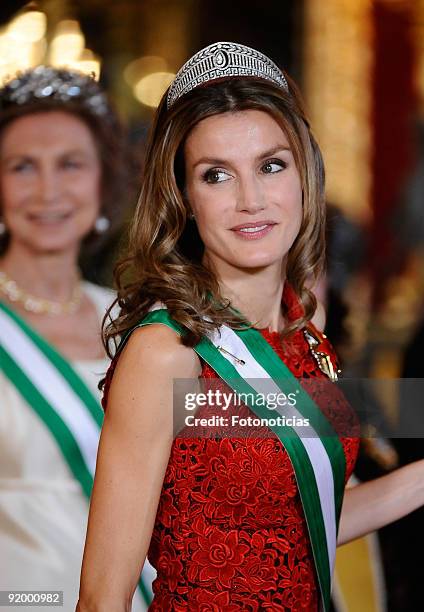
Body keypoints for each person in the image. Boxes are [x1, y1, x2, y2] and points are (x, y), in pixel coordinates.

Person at [77, 42, 424, 611]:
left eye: (271, 165)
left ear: (304, 173)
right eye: (216, 175)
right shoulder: (167, 351)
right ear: (184, 197)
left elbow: (299, 528)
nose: (251, 200)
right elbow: (101, 598)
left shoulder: (305, 321)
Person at [0, 67, 152, 611]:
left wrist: (396, 410)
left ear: (103, 181)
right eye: (22, 167)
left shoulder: (140, 323)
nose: (48, 191)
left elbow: (243, 419)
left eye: (70, 165)